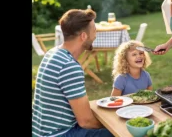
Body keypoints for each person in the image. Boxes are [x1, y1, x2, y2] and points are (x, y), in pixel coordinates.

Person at [32, 9, 113, 137]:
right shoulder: (69, 66)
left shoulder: (52, 53)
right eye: (94, 31)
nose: (95, 35)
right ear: (83, 36)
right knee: (122, 131)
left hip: (41, 131)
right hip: (58, 134)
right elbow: (86, 122)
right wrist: (112, 124)